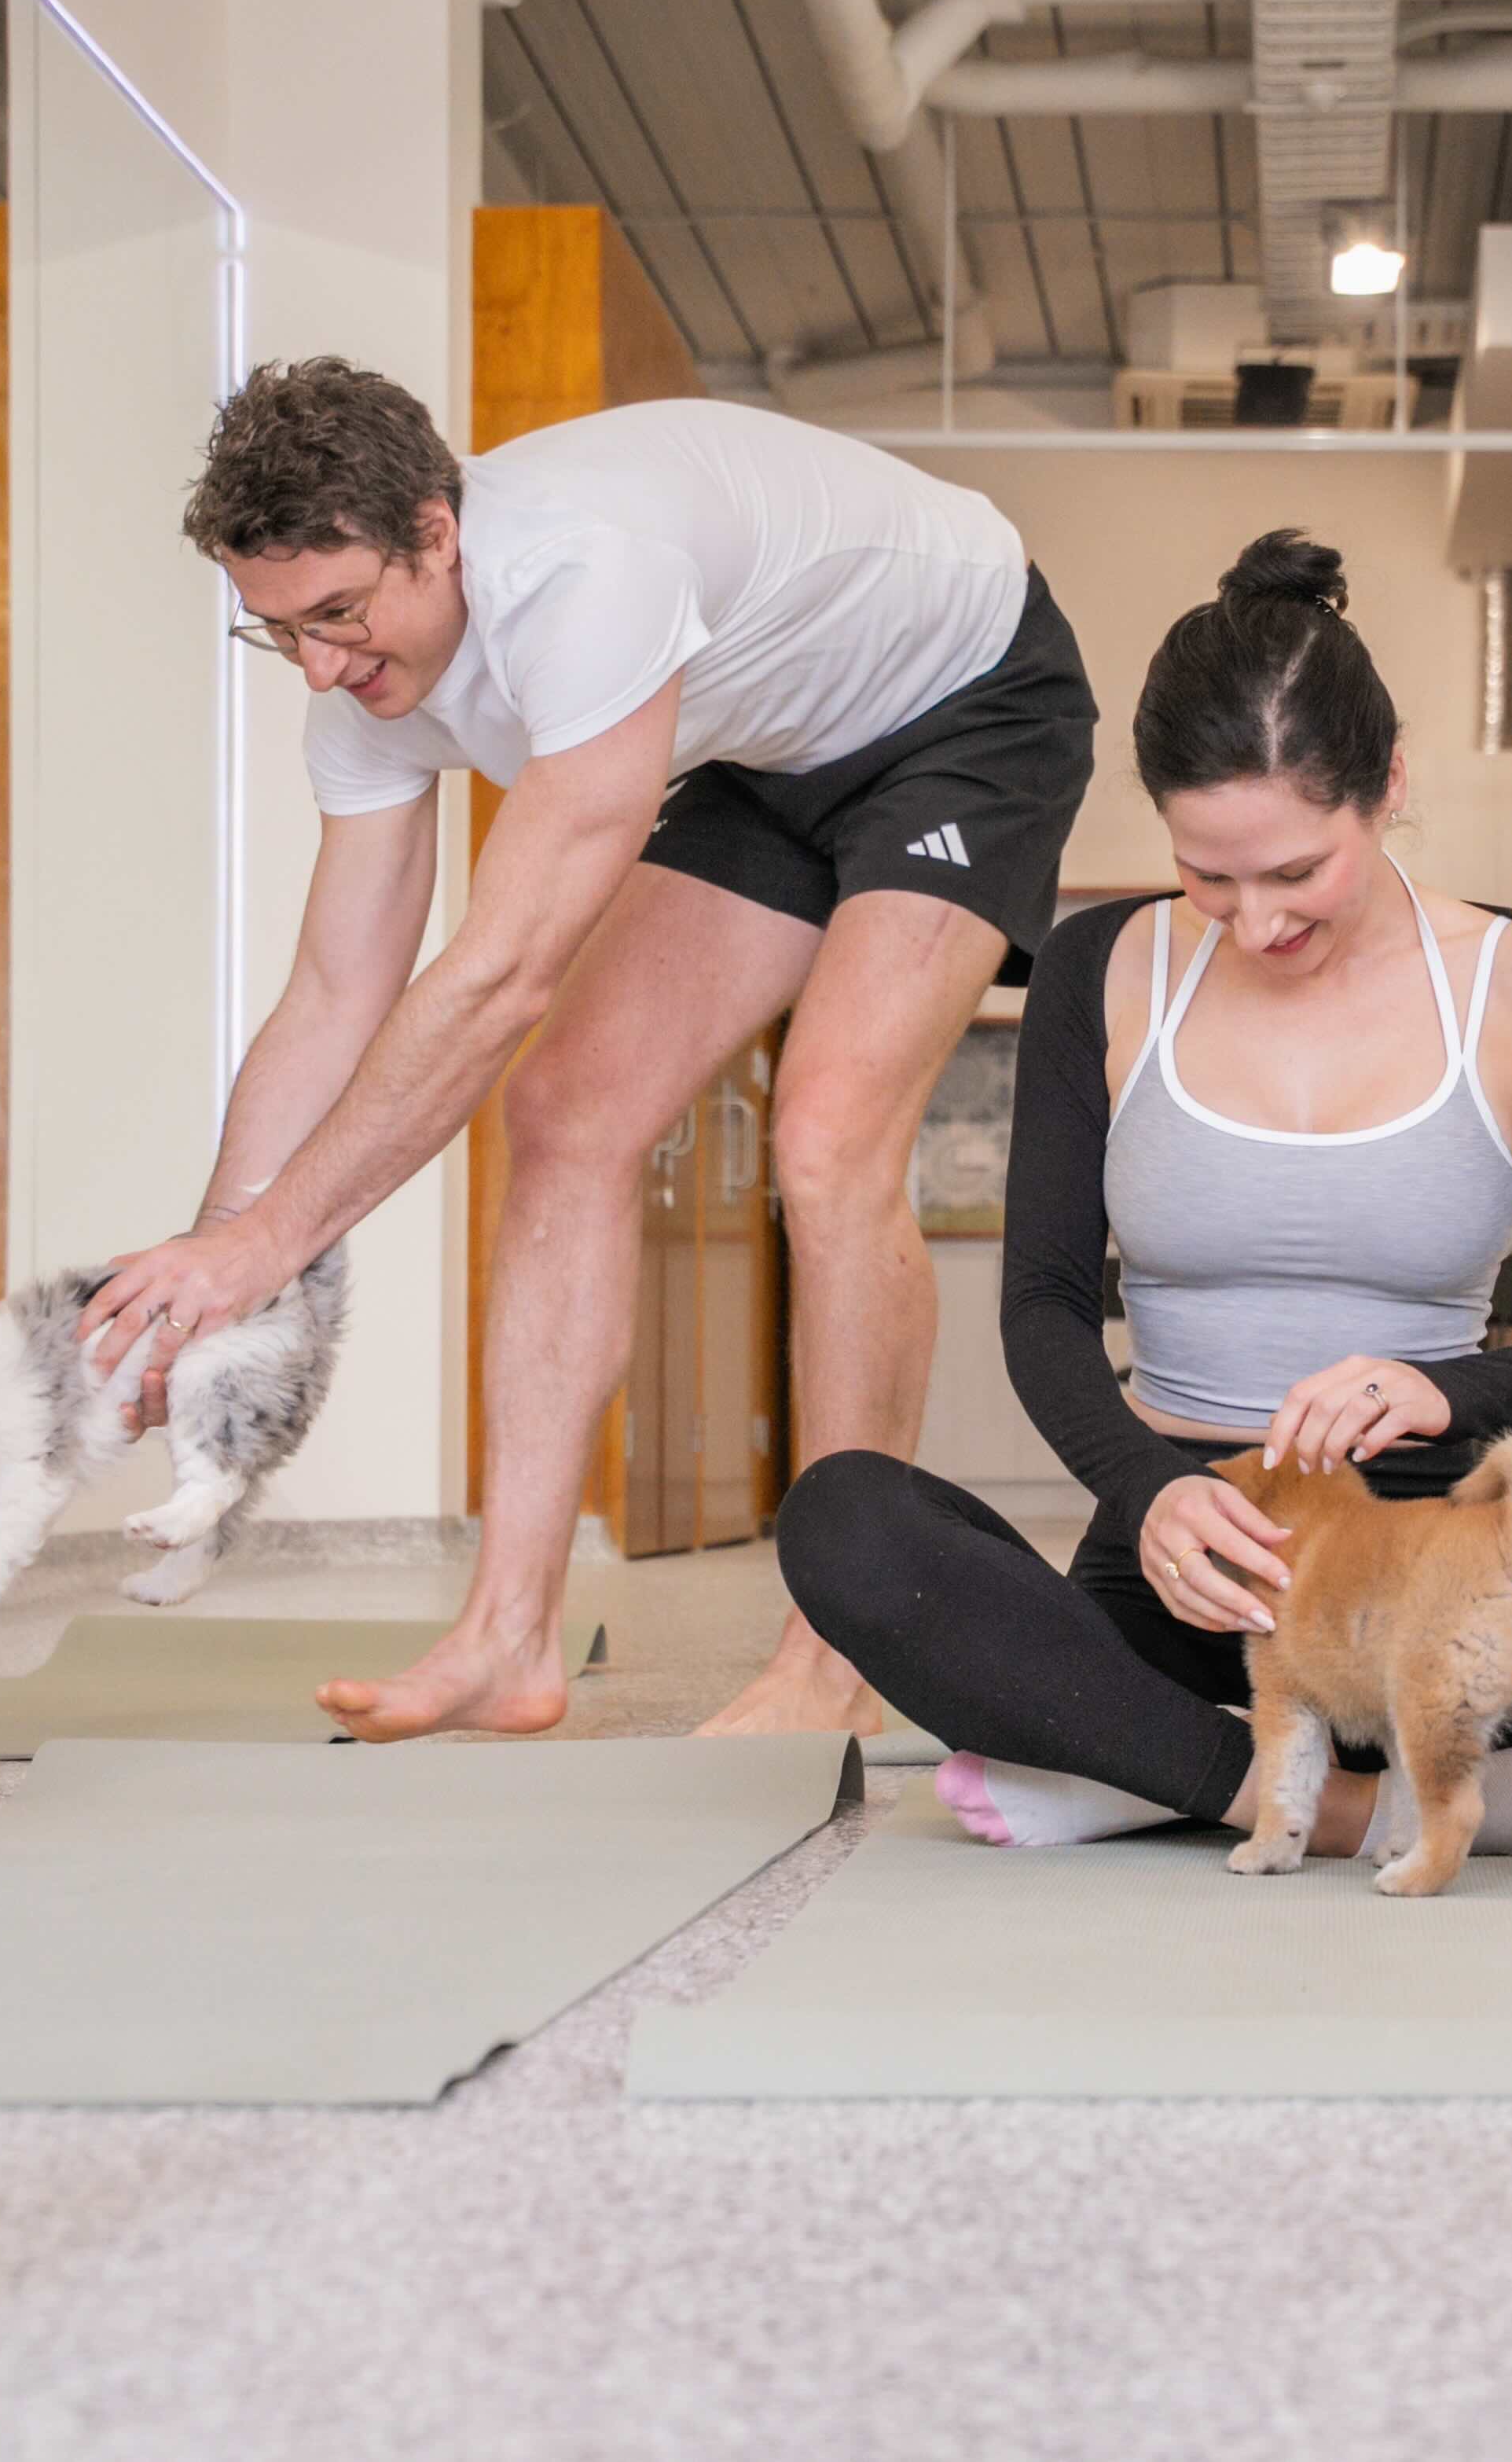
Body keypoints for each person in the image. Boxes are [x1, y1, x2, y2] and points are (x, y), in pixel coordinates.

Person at [80, 366, 1097, 1741]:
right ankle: (508, 1636)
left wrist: (269, 1246)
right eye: (280, 630)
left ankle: (837, 1658)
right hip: (772, 747)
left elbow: (498, 978)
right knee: (566, 1114)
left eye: (339, 613)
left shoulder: (584, 575)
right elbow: (334, 993)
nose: (321, 664)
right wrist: (206, 1273)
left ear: (439, 533)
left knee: (826, 1133)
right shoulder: (364, 687)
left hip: (967, 701)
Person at [778, 532, 1512, 1852]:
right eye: (1209, 876)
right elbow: (1039, 1309)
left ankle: (1126, 1771)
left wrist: (1448, 1389)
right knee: (847, 1519)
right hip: (1184, 1559)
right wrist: (1146, 1490)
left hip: (1431, 1576)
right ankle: (1302, 1793)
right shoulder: (1097, 965)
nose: (1254, 923)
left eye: (1295, 870)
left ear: (1388, 784)